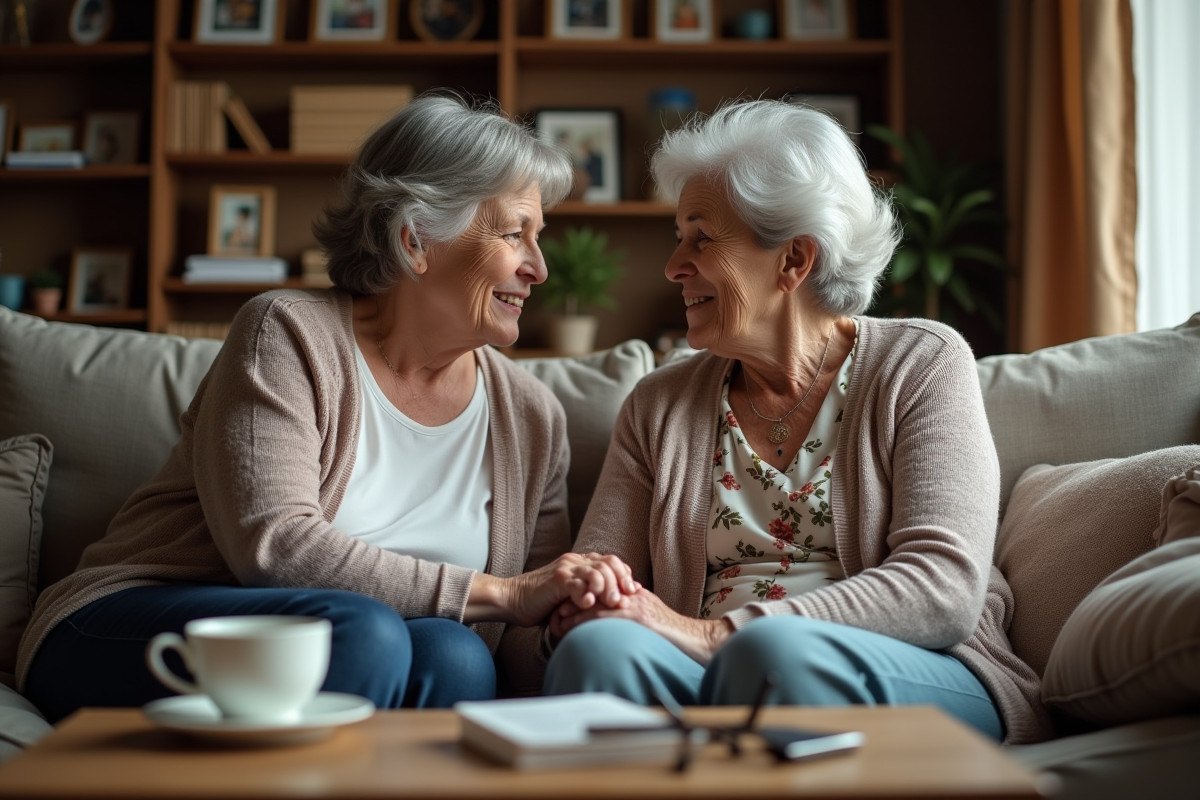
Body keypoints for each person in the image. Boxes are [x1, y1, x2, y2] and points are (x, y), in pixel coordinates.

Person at [18, 95, 638, 723]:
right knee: (363, 632)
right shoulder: (287, 334)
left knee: (458, 657)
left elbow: (516, 649)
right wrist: (506, 593)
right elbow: (276, 546)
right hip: (133, 627)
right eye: (513, 233)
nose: (539, 267)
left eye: (539, 237)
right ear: (415, 240)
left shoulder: (530, 415)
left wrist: (566, 618)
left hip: (353, 648)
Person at [542, 100, 1051, 745]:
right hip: (703, 669)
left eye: (701, 237)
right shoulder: (659, 403)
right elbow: (601, 577)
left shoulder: (920, 364)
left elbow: (942, 589)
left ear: (794, 260)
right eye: (679, 237)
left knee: (773, 656)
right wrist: (589, 598)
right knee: (599, 653)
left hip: (910, 668)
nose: (673, 265)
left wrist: (717, 633)